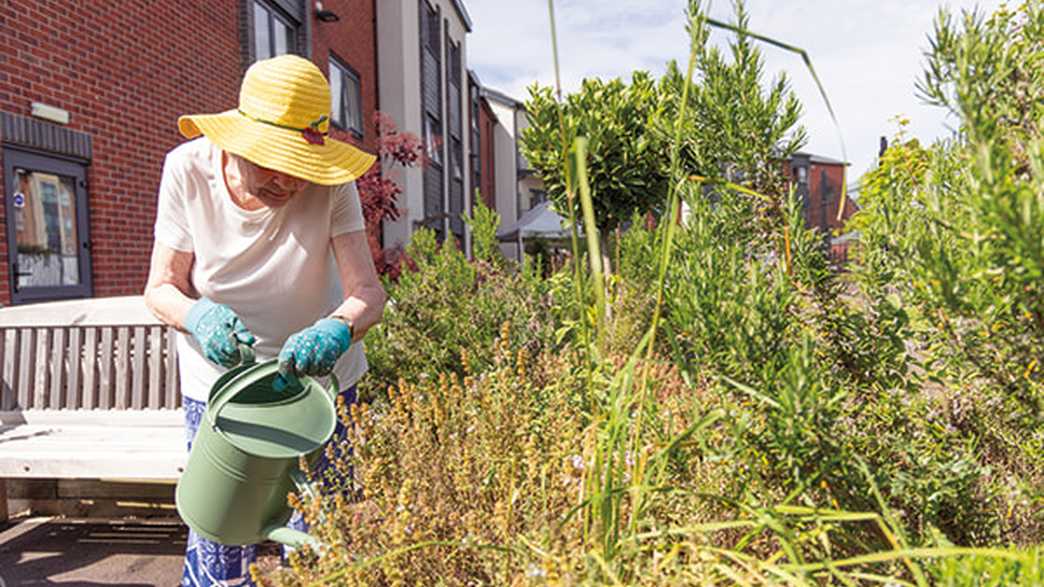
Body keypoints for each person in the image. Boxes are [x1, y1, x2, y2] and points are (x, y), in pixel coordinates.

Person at [143, 54, 386, 587]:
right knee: (221, 529)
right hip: (222, 393)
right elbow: (159, 288)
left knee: (329, 534)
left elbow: (367, 292)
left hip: (320, 390)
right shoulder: (188, 169)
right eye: (277, 163)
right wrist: (198, 315)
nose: (293, 182)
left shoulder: (331, 183)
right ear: (239, 141)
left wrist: (339, 327)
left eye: (304, 166)